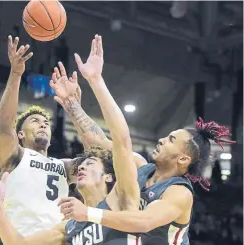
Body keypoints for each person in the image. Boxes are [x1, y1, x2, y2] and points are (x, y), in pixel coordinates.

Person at [50, 35, 236, 245]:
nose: (161, 140)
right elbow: (97, 142)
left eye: (171, 139)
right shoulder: (140, 165)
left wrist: (89, 213)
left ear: (183, 159)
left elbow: (145, 222)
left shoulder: (179, 193)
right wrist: (72, 105)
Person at [0, 34, 142, 245]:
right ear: (21, 134)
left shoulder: (63, 166)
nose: (43, 124)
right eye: (34, 121)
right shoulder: (16, 156)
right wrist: (16, 74)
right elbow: (5, 125)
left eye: (46, 122)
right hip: (24, 237)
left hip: (62, 236)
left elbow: (100, 152)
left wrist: (73, 107)